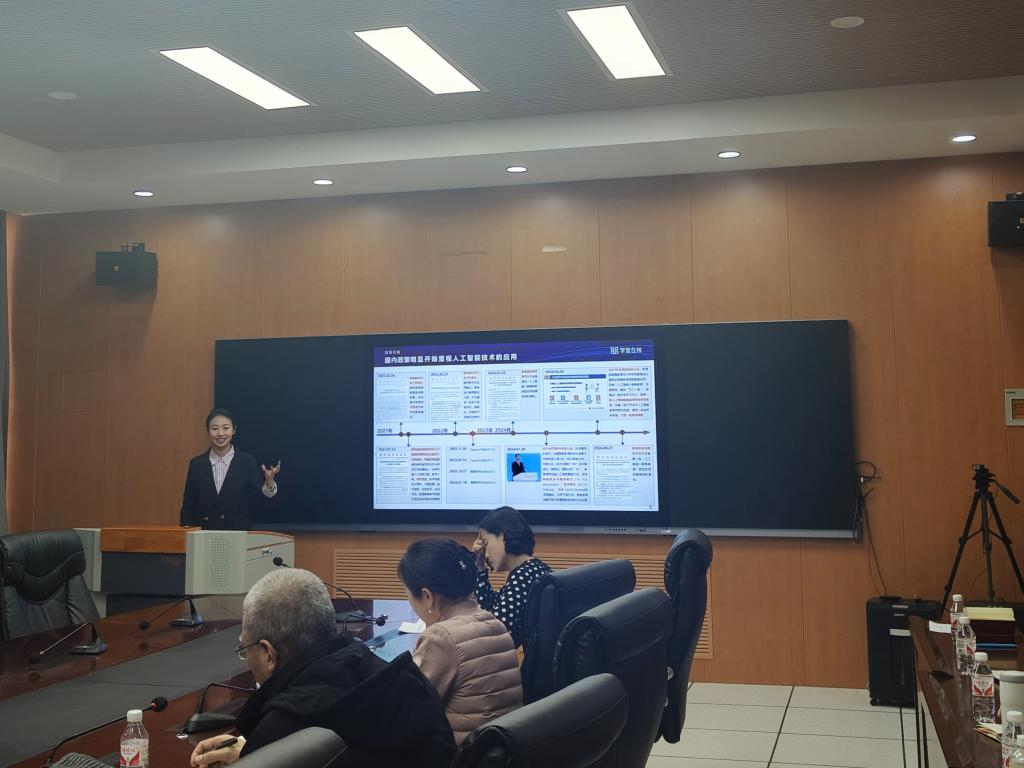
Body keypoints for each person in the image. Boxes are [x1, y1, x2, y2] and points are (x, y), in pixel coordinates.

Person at [190, 568, 455, 767]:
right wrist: (252, 751)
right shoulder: (405, 678)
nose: (246, 658)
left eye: (244, 648)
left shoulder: (285, 723)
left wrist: (257, 753)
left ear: (268, 653)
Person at [398, 538, 522, 744]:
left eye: (407, 592)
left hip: (460, 754)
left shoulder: (441, 637)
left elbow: (408, 712)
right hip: (499, 749)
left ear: (427, 596)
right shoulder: (495, 623)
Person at [180, 408, 281, 531]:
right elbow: (188, 506)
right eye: (215, 428)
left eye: (226, 428)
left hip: (238, 533)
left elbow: (257, 502)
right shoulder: (197, 464)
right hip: (204, 534)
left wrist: (269, 484)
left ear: (234, 430)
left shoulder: (247, 462)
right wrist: (185, 534)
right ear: (208, 431)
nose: (220, 433)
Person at [473, 506, 552, 648]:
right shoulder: (533, 569)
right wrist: (480, 568)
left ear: (502, 535)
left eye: (486, 543)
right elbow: (490, 608)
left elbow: (495, 634)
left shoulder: (524, 576)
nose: (485, 555)